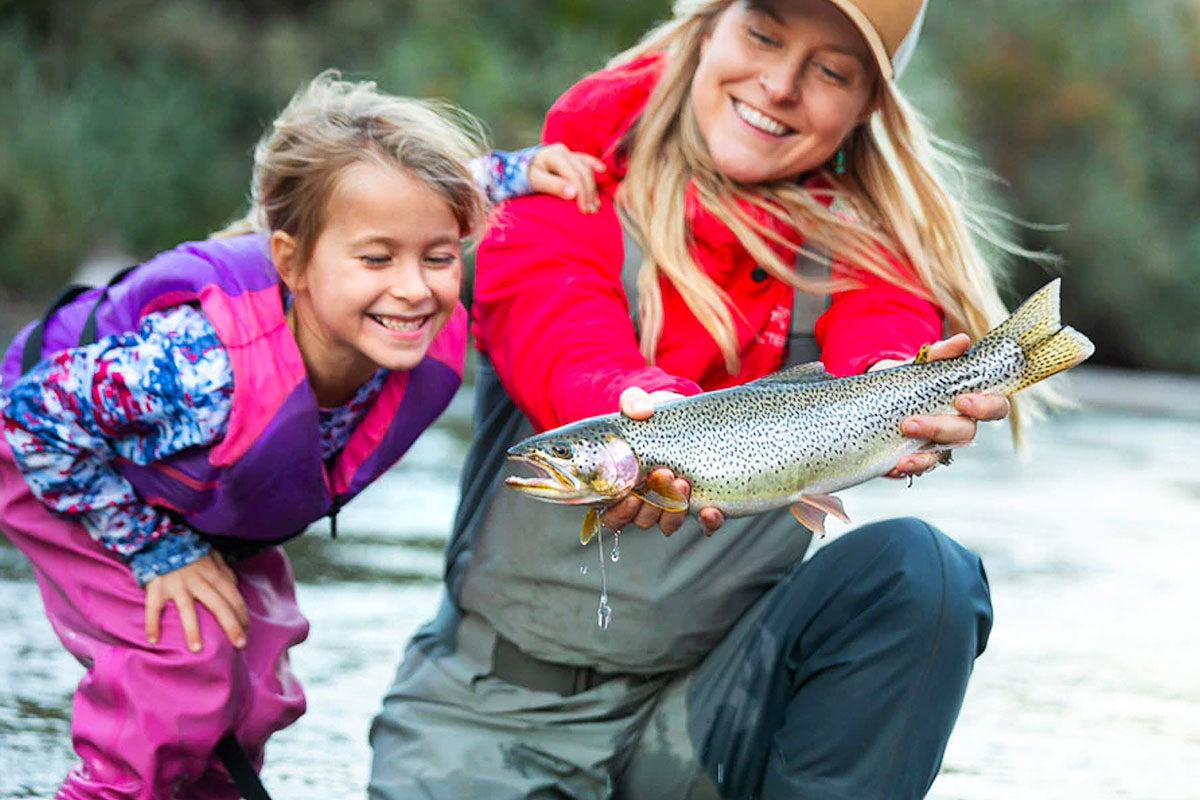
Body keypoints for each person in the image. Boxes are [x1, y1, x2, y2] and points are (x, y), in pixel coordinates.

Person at [369, 1, 1020, 798]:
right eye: (763, 33)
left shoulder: (868, 259)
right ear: (703, 28)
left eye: (830, 71)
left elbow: (883, 341)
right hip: (489, 718)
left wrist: (912, 392)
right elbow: (566, 345)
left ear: (866, 109)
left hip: (707, 718)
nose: (779, 84)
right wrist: (645, 411)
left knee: (925, 572)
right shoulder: (554, 196)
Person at [0, 70, 602, 800]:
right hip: (76, 468)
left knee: (259, 683)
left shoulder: (399, 296)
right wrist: (158, 551)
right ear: (291, 262)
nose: (414, 287)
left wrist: (516, 170)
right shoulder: (196, 367)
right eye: (376, 260)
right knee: (181, 668)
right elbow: (27, 416)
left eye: (438, 258)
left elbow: (421, 203)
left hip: (196, 487)